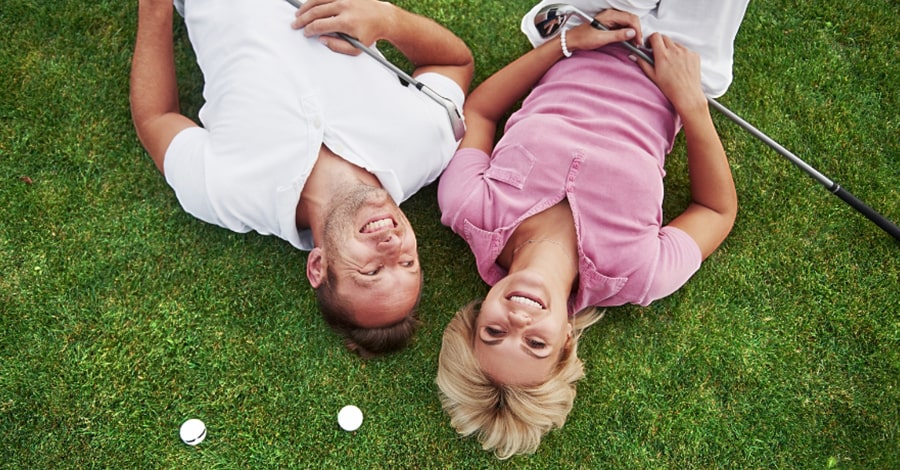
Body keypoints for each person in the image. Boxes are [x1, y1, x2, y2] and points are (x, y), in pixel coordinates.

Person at [435, 0, 747, 458]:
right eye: (535, 343)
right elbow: (715, 210)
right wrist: (691, 104)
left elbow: (479, 114)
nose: (517, 322)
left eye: (494, 333)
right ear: (566, 342)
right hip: (681, 57)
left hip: (590, 19)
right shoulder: (638, 274)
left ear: (475, 319)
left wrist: (564, 44)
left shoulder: (466, 208)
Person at [129, 0, 473, 357]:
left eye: (372, 270)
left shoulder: (228, 194)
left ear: (318, 266)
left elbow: (156, 118)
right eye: (407, 262)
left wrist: (154, 9)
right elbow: (454, 63)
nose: (392, 246)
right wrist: (388, 20)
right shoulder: (427, 147)